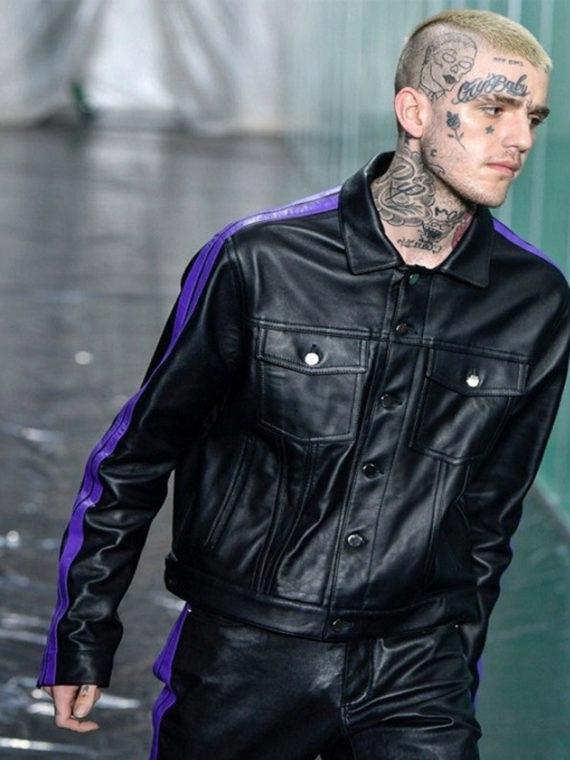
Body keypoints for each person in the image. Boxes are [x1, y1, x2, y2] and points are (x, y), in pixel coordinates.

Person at [39, 9, 569, 759]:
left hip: (415, 668)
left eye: (533, 117)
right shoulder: (259, 261)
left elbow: (489, 518)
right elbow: (137, 457)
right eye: (494, 110)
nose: (520, 140)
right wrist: (83, 634)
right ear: (415, 111)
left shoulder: (534, 300)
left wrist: (453, 671)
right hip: (246, 657)